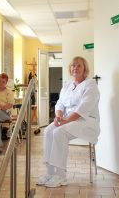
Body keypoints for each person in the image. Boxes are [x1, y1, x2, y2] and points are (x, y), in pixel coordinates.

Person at [37, 56, 100, 188]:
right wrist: (59, 116)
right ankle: (49, 172)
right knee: (48, 130)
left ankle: (61, 176)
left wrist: (66, 120)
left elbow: (84, 107)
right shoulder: (67, 86)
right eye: (73, 65)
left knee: (59, 132)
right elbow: (59, 104)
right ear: (70, 69)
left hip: (86, 121)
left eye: (79, 66)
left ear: (85, 69)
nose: (75, 68)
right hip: (67, 120)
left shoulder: (90, 85)